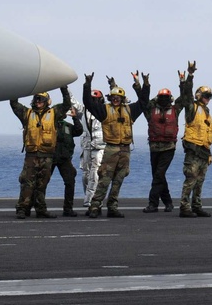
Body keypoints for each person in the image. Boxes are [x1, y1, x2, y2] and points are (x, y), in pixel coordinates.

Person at [82, 72, 149, 218]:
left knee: (119, 180)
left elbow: (144, 102)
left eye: (118, 97)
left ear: (123, 99)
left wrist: (145, 84)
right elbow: (88, 103)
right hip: (111, 149)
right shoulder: (104, 110)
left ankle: (112, 207)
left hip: (125, 150)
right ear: (110, 98)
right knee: (104, 179)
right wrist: (87, 85)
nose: (116, 99)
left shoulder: (130, 111)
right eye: (113, 98)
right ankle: (94, 207)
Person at [10, 86, 72, 219]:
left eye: (41, 99)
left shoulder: (54, 113)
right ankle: (22, 208)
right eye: (36, 99)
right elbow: (14, 104)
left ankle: (41, 209)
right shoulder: (27, 114)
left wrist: (63, 88)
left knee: (42, 184)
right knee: (27, 183)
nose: (38, 102)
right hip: (31, 155)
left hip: (47, 156)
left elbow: (67, 104)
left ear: (47, 101)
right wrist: (16, 86)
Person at [143, 66, 195, 213]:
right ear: (158, 99)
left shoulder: (175, 109)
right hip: (154, 147)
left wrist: (185, 79)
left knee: (158, 175)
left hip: (168, 148)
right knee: (158, 176)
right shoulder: (150, 110)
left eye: (167, 98)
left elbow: (186, 97)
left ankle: (153, 204)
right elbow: (143, 100)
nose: (165, 100)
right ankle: (168, 202)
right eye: (162, 98)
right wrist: (145, 84)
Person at [178, 63, 212, 218]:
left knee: (200, 181)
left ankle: (196, 206)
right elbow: (186, 94)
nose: (208, 99)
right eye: (206, 96)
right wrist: (190, 76)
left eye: (209, 96)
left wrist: (209, 153)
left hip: (203, 151)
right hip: (193, 150)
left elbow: (207, 135)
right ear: (199, 95)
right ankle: (184, 208)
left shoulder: (207, 114)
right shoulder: (192, 108)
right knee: (190, 180)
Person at [75, 90, 105, 209]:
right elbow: (72, 101)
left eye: (96, 99)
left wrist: (113, 86)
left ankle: (90, 200)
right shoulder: (83, 110)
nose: (94, 101)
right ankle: (89, 198)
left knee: (95, 173)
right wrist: (64, 88)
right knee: (85, 175)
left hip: (99, 146)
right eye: (92, 99)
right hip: (86, 145)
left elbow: (118, 105)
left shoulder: (104, 111)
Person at [52, 106, 84, 216]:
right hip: (50, 157)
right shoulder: (49, 124)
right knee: (41, 183)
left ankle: (68, 208)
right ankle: (36, 207)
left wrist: (75, 118)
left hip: (64, 159)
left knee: (70, 181)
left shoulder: (67, 126)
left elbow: (79, 130)